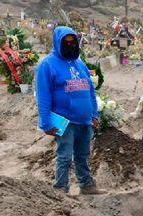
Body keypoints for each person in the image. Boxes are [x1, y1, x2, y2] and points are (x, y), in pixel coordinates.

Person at [35, 26, 105, 195]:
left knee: (83, 155)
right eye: (65, 42)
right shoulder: (47, 65)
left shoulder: (79, 63)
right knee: (64, 156)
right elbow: (43, 97)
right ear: (57, 42)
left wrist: (94, 114)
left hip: (84, 119)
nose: (70, 45)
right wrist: (45, 123)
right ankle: (61, 189)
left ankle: (86, 185)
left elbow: (89, 90)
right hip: (63, 120)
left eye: (72, 42)